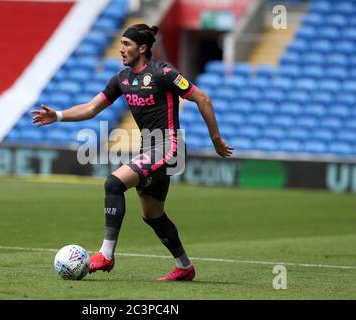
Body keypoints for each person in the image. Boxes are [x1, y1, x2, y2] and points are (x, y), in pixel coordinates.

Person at [32, 24, 233, 281]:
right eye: (121, 44)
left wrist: (215, 138)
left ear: (143, 48)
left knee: (113, 183)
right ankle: (184, 267)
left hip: (169, 147)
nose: (121, 49)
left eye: (126, 44)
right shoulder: (121, 79)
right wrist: (58, 115)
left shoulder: (163, 72)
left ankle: (106, 255)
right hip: (149, 147)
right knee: (152, 215)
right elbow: (92, 108)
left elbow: (203, 98)